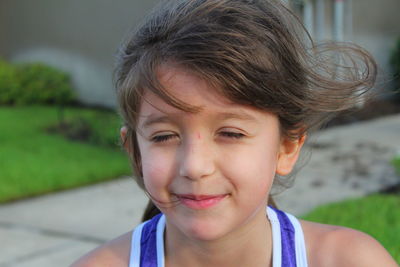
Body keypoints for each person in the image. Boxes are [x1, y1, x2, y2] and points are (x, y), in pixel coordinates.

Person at [72, 0, 398, 266]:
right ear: (135, 152)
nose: (196, 166)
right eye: (164, 136)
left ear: (286, 147)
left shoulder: (348, 260)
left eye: (230, 133)